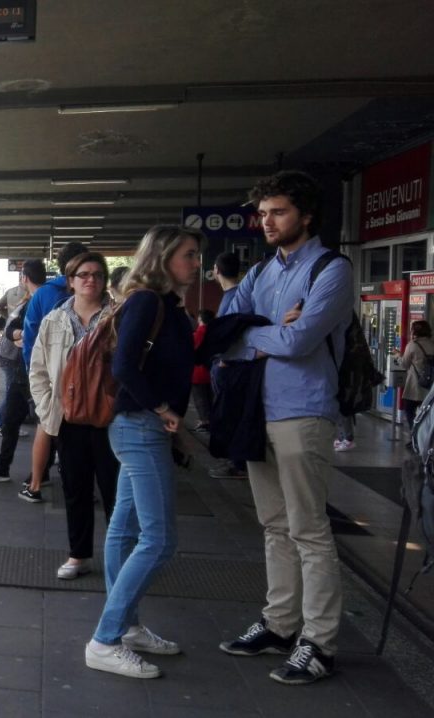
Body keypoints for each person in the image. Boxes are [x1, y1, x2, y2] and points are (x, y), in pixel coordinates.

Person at [217, 170, 353, 685]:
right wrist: (277, 328)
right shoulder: (260, 273)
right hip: (259, 411)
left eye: (278, 212)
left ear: (306, 215)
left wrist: (261, 332)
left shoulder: (330, 269)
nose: (267, 222)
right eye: (263, 213)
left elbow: (299, 345)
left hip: (304, 410)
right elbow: (224, 335)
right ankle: (280, 623)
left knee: (309, 529)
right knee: (275, 525)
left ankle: (319, 642)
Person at [85, 225, 202, 679]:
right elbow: (123, 365)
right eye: (189, 255)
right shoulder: (145, 302)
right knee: (159, 539)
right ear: (164, 256)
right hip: (140, 426)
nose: (197, 264)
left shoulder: (168, 307)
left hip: (139, 425)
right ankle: (105, 638)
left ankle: (127, 628)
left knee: (125, 530)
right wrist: (162, 408)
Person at [28, 252, 120, 580]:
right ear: (70, 281)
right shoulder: (55, 320)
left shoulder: (118, 318)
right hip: (68, 419)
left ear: (104, 280)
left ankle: (120, 558)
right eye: (83, 274)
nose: (90, 280)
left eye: (96, 274)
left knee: (115, 491)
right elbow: (38, 369)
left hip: (109, 419)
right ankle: (78, 555)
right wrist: (46, 409)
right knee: (75, 489)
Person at [20, 241, 89, 503]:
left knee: (47, 427)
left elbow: (30, 341)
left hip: (52, 376)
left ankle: (37, 482)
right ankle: (73, 483)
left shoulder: (42, 295)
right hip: (77, 379)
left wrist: (34, 379)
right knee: (75, 430)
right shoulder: (92, 296)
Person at [207, 253, 249, 479]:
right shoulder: (238, 295)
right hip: (231, 365)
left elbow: (230, 332)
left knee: (230, 415)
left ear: (216, 270)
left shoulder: (233, 297)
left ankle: (238, 463)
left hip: (231, 367)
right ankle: (236, 461)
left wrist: (223, 359)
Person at [0, 261, 44, 435]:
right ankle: (1, 425)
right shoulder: (32, 302)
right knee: (14, 392)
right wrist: (24, 335)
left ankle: (7, 424)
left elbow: (3, 315)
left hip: (9, 353)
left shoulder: (25, 299)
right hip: (11, 355)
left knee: (17, 392)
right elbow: (13, 330)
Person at [397, 320, 434, 431]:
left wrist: (398, 356)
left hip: (415, 386)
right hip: (430, 386)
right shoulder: (432, 344)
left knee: (409, 409)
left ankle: (415, 435)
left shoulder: (412, 345)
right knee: (427, 412)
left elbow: (405, 364)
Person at [191, 309, 216, 432]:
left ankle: (204, 421)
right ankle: (210, 419)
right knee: (209, 397)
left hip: (198, 371)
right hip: (211, 369)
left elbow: (192, 348)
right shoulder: (214, 332)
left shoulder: (199, 332)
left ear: (200, 319)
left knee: (199, 397)